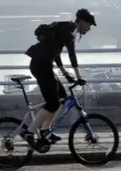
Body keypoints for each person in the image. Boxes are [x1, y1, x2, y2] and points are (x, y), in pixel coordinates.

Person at [20, 8, 95, 146]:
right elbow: (72, 56)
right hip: (40, 65)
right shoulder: (69, 32)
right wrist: (78, 77)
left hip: (44, 64)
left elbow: (56, 53)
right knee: (53, 102)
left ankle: (45, 131)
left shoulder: (67, 29)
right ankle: (29, 131)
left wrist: (65, 73)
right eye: (89, 25)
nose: (89, 29)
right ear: (82, 22)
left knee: (61, 98)